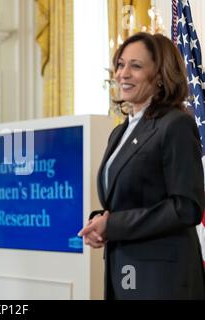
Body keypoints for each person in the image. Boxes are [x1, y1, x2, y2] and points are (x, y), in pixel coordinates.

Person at [78, 32, 205, 299]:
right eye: (120, 64)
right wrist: (99, 221)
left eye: (135, 66)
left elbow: (187, 207)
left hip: (162, 281)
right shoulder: (120, 132)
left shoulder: (175, 125)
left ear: (159, 75)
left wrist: (113, 225)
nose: (123, 73)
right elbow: (126, 200)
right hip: (124, 272)